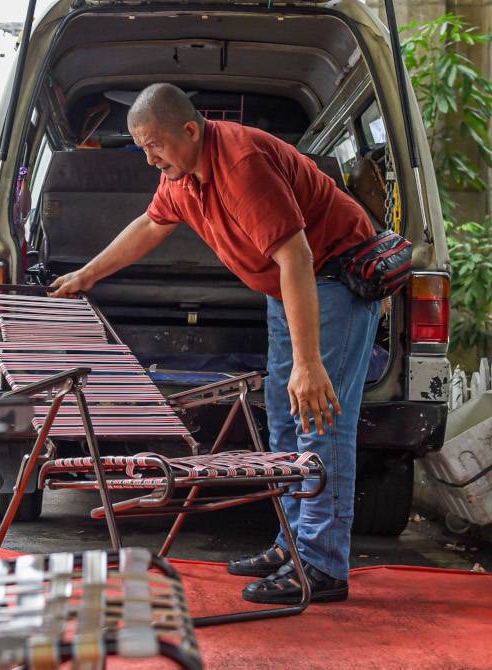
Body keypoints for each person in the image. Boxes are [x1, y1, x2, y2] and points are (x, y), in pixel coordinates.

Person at [49, 83, 380, 604]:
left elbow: (296, 257)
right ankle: (292, 544)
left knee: (319, 418)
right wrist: (87, 275)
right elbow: (149, 225)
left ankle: (321, 564)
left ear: (189, 129)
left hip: (331, 280)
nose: (149, 157)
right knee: (284, 416)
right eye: (141, 148)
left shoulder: (241, 164)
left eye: (155, 144)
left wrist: (309, 361)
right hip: (284, 288)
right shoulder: (181, 175)